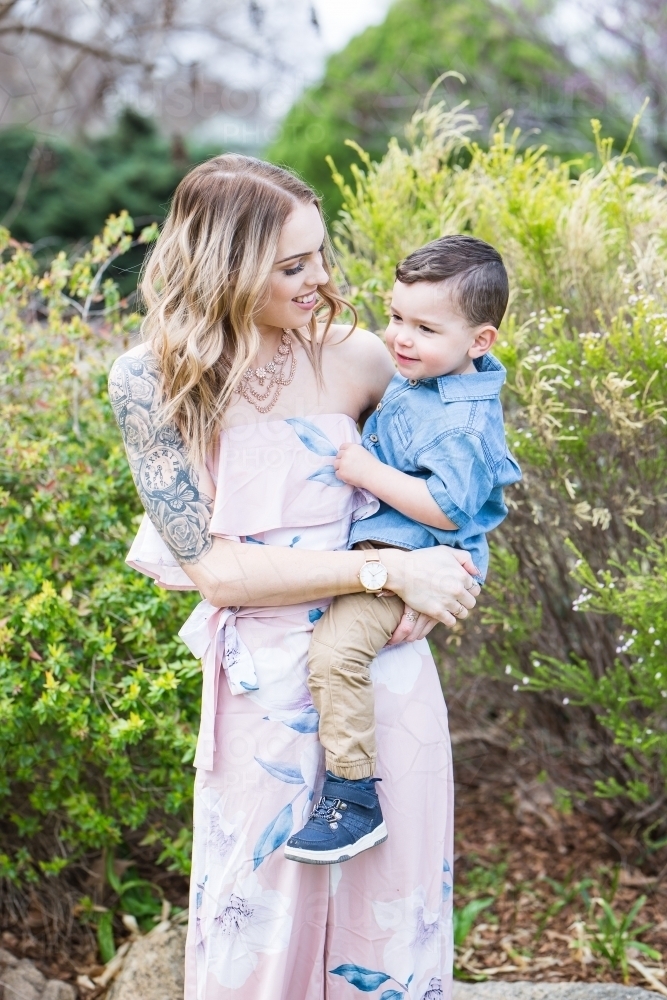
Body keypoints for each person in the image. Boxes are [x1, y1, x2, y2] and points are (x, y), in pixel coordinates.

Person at [108, 153, 480, 1000]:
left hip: (382, 680)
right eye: (291, 265)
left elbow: (466, 483)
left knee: (385, 929)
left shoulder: (363, 358)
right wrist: (389, 573)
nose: (321, 278)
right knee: (258, 933)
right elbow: (217, 572)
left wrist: (454, 572)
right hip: (261, 695)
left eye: (319, 254)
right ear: (224, 266)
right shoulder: (149, 380)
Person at [285, 236, 521, 866]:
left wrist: (364, 470)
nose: (401, 339)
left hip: (408, 559)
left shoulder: (463, 422)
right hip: (387, 550)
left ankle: (353, 797)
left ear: (480, 341)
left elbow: (450, 507)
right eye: (395, 317)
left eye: (424, 327)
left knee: (335, 653)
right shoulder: (428, 379)